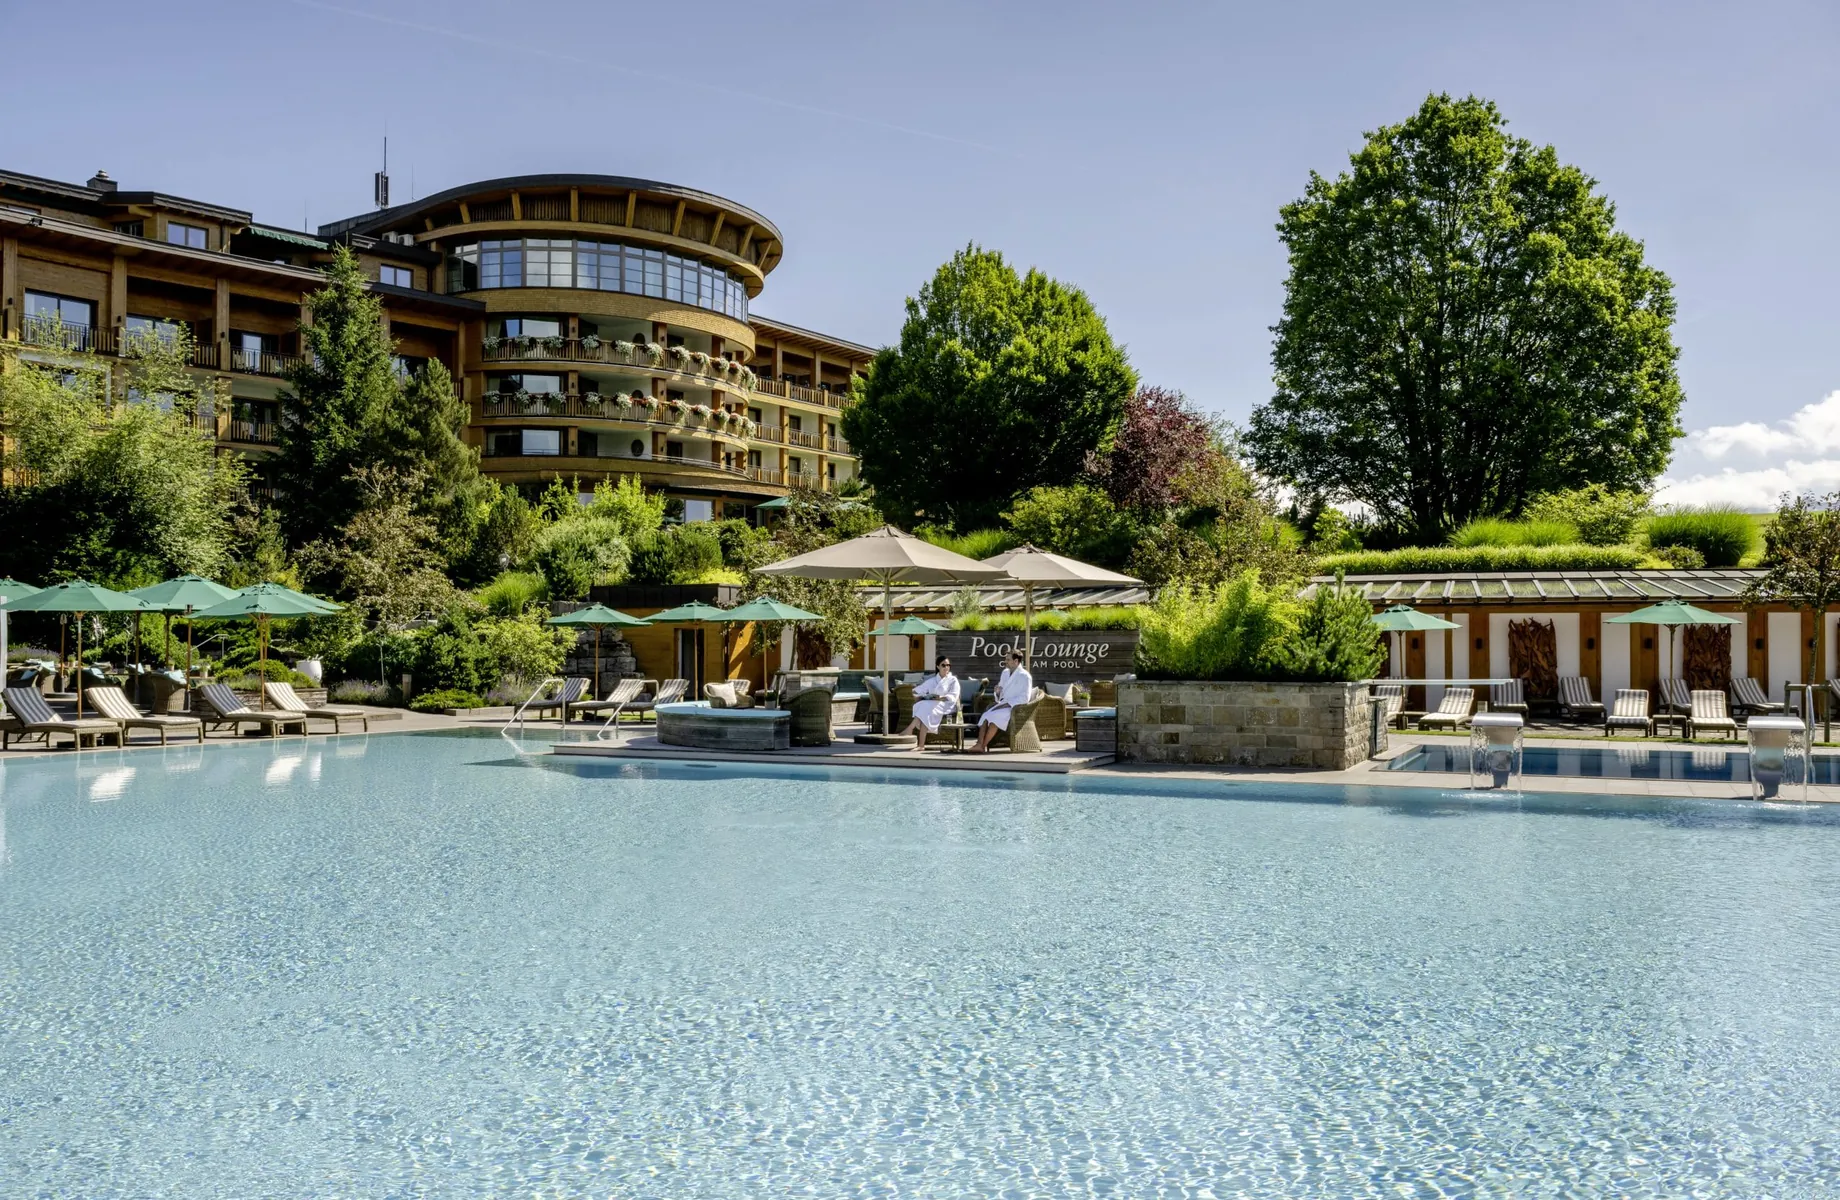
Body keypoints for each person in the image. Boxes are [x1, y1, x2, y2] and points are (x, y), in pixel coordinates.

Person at [969, 649, 1033, 753]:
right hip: (1003, 704)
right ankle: (979, 744)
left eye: (1008, 659)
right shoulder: (1005, 673)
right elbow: (1001, 693)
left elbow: (1025, 698)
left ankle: (982, 746)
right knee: (985, 715)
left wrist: (1008, 704)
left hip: (1015, 708)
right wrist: (998, 692)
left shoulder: (1025, 676)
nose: (1005, 661)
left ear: (1016, 661)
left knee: (995, 719)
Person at [901, 656, 960, 751]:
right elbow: (917, 691)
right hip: (933, 705)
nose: (946, 667)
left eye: (948, 665)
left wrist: (941, 697)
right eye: (943, 665)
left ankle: (910, 728)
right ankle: (921, 745)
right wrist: (919, 696)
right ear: (938, 666)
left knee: (925, 706)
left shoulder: (953, 680)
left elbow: (954, 695)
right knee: (924, 707)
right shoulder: (932, 680)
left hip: (947, 705)